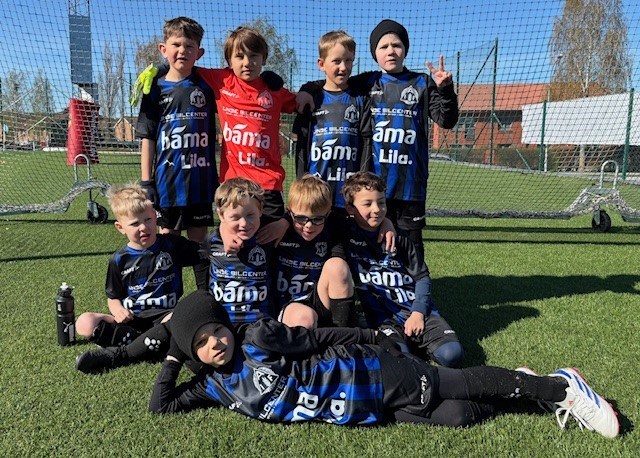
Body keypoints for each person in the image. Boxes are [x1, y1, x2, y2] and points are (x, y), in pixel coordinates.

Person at [148, 290, 620, 439]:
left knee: (450, 383)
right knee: (457, 415)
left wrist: (371, 336)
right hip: (368, 410)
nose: (214, 344)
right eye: (201, 343)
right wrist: (173, 354)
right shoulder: (213, 387)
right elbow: (161, 406)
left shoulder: (256, 337)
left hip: (370, 372)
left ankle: (559, 388)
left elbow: (317, 338)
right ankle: (518, 384)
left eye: (216, 331)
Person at [298, 19, 459, 261]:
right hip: (372, 188)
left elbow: (446, 120)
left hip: (410, 188)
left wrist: (445, 89)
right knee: (371, 248)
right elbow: (332, 81)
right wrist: (306, 89)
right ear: (375, 54)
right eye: (383, 46)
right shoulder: (367, 83)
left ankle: (415, 284)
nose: (391, 51)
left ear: (405, 49)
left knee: (410, 251)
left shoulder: (422, 83)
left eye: (397, 45)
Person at [341, 171, 464, 368]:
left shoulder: (400, 237)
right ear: (350, 208)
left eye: (381, 202)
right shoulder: (345, 235)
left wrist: (418, 313)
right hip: (384, 319)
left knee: (452, 355)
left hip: (415, 309)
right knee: (399, 359)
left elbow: (422, 277)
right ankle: (404, 342)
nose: (377, 210)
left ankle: (421, 337)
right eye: (367, 204)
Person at [135, 17, 218, 290]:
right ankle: (168, 301)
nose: (182, 50)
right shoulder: (154, 89)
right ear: (163, 49)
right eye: (176, 44)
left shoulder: (206, 86)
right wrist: (146, 182)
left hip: (200, 184)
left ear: (199, 53)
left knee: (199, 245)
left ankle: (205, 298)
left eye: (189, 46)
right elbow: (148, 137)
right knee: (169, 243)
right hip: (167, 185)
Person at [74, 183, 207, 347]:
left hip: (165, 317)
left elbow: (203, 252)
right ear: (120, 227)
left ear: (155, 217)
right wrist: (118, 311)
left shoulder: (172, 245)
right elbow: (113, 297)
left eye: (148, 220)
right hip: (132, 319)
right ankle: (146, 342)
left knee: (181, 317)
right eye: (135, 224)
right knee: (84, 323)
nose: (144, 227)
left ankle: (133, 344)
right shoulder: (119, 260)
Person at [194, 26, 297, 226]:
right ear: (229, 61)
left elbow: (303, 101)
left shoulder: (275, 91)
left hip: (268, 185)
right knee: (234, 240)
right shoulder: (221, 80)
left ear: (264, 58)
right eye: (239, 56)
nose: (247, 62)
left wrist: (310, 89)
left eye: (254, 55)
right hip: (233, 184)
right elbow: (185, 69)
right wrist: (161, 69)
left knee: (271, 241)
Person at [292, 30, 370, 214]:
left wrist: (362, 182)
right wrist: (302, 182)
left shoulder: (361, 99)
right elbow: (301, 146)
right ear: (321, 64)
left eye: (349, 60)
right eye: (336, 61)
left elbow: (367, 142)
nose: (344, 67)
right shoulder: (312, 99)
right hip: (316, 195)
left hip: (349, 196)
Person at [275, 174, 355, 328]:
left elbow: (365, 222)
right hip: (290, 306)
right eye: (301, 218)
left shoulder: (335, 229)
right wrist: (284, 221)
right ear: (289, 212)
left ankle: (343, 333)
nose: (309, 225)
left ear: (328, 214)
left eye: (317, 219)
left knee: (337, 265)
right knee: (304, 318)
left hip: (319, 301)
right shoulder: (277, 229)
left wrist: (386, 222)